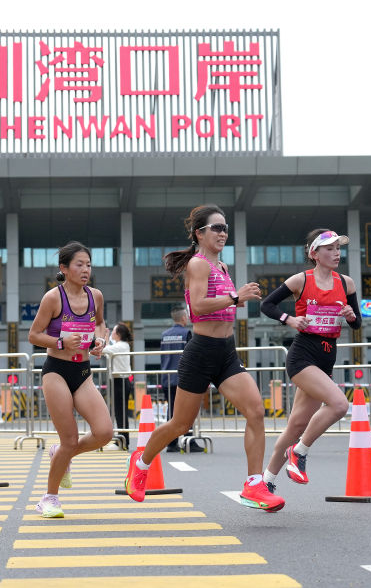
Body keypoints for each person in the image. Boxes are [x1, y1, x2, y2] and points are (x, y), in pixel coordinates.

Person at [124, 205, 284, 512]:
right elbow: (197, 307)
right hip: (200, 351)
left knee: (255, 411)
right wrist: (236, 297)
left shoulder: (222, 268)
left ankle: (254, 485)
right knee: (181, 424)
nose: (223, 233)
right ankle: (141, 462)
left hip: (226, 352)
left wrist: (232, 300)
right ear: (200, 233)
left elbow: (219, 304)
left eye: (225, 228)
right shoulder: (198, 266)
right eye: (217, 228)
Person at [258, 228, 362, 494]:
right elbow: (267, 305)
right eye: (329, 248)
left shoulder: (346, 283)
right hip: (303, 355)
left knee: (295, 425)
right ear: (314, 253)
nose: (336, 253)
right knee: (339, 404)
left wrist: (350, 316)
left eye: (338, 248)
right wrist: (289, 319)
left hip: (327, 356)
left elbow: (357, 323)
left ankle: (266, 482)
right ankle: (300, 452)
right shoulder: (300, 281)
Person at [28, 241, 112, 518]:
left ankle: (61, 454)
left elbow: (101, 324)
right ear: (64, 268)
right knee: (70, 438)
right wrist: (61, 342)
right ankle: (49, 498)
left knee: (104, 433)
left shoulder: (95, 296)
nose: (85, 269)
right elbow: (34, 335)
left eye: (88, 264)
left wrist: (101, 340)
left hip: (83, 372)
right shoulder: (53, 298)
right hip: (56, 371)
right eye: (79, 264)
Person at [159, 306, 198, 453]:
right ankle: (190, 441)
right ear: (183, 318)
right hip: (183, 377)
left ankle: (171, 443)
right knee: (188, 410)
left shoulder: (164, 335)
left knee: (172, 412)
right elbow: (192, 356)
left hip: (167, 377)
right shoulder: (186, 333)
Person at [102, 322, 133, 450]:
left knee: (121, 412)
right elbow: (108, 346)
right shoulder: (120, 345)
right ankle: (122, 440)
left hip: (120, 380)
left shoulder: (121, 346)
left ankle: (123, 441)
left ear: (119, 334)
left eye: (114, 332)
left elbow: (104, 349)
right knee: (119, 411)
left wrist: (104, 337)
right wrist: (106, 336)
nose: (112, 334)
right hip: (119, 380)